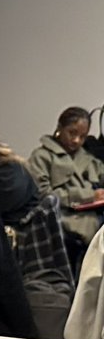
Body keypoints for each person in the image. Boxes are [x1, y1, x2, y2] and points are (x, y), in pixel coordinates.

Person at [26, 106, 104, 257]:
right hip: (62, 216)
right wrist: (89, 196)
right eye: (72, 133)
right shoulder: (41, 157)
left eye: (82, 136)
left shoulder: (88, 158)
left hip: (93, 215)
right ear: (60, 128)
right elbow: (43, 195)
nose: (76, 141)